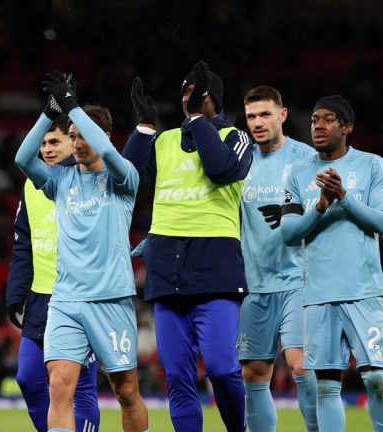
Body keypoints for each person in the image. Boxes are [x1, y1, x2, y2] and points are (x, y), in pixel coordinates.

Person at [14, 71, 148, 432]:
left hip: (111, 299)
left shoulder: (123, 178)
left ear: (103, 136)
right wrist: (50, 111)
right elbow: (23, 158)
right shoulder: (60, 179)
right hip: (66, 301)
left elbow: (107, 152)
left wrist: (73, 106)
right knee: (59, 387)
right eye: (72, 136)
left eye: (82, 135)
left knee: (126, 391)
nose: (76, 143)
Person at [123, 61, 253, 432]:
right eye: (185, 92)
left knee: (222, 369)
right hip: (167, 271)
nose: (187, 97)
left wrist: (197, 119)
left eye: (197, 92)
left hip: (216, 271)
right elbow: (128, 180)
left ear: (215, 99)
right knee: (178, 377)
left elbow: (220, 168)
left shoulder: (236, 137)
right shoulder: (164, 141)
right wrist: (144, 129)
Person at [280, 95, 383, 431]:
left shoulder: (372, 165)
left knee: (375, 378)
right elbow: (289, 233)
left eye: (328, 119)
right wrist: (320, 206)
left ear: (347, 127)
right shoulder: (298, 175)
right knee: (327, 386)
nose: (318, 125)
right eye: (314, 119)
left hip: (364, 292)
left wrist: (344, 198)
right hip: (318, 295)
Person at [6, 112, 100, 432]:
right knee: (28, 378)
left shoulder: (88, 178)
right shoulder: (31, 185)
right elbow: (23, 242)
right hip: (40, 297)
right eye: (44, 143)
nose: (47, 148)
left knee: (80, 386)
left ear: (72, 143)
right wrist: (15, 294)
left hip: (79, 297)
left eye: (55, 142)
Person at [236, 86, 318, 432]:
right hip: (255, 284)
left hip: (299, 279)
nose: (258, 122)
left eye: (265, 114)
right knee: (253, 373)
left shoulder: (306, 159)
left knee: (301, 364)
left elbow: (322, 212)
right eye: (251, 116)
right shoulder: (239, 161)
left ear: (282, 115)